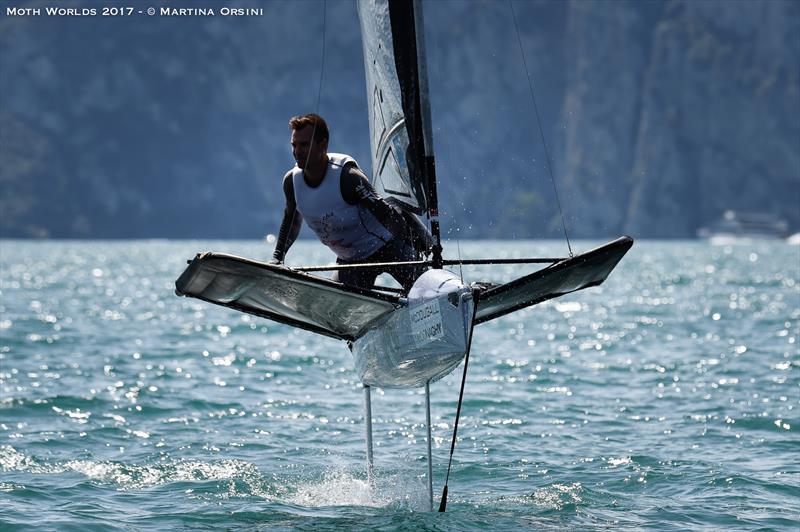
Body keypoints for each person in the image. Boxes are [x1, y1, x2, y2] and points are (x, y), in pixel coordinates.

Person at [270, 113, 432, 291]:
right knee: (337, 310)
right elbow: (291, 221)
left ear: (323, 144)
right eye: (294, 145)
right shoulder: (291, 183)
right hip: (351, 261)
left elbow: (385, 213)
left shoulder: (348, 177)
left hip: (387, 247)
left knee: (426, 289)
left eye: (304, 145)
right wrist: (277, 258)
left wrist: (421, 249)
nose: (297, 151)